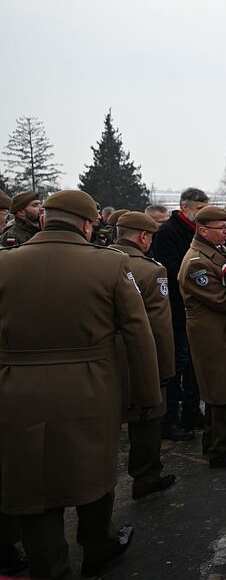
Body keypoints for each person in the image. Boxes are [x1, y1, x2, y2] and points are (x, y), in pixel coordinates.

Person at [0, 190, 160, 579]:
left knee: (31, 485)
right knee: (93, 469)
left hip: (14, 390)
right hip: (90, 387)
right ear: (89, 224)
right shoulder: (110, 264)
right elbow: (138, 333)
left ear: (43, 219)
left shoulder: (3, 263)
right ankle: (97, 545)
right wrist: (147, 395)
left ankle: (50, 566)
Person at [178, 206, 226, 468]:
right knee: (222, 391)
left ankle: (218, 442)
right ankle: (221, 450)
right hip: (214, 335)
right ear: (203, 230)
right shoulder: (197, 262)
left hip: (223, 331)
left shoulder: (212, 253)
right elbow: (222, 299)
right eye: (222, 228)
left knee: (223, 388)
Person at [114, 212, 178, 500]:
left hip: (104, 358)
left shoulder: (100, 259)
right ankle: (146, 475)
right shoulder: (151, 269)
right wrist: (165, 369)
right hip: (141, 355)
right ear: (143, 237)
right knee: (148, 416)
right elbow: (159, 326)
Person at [150, 187, 210, 441]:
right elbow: (170, 269)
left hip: (194, 310)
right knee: (178, 364)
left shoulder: (198, 231)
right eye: (199, 210)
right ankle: (171, 419)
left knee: (194, 366)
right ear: (184, 207)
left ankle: (191, 412)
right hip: (176, 309)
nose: (202, 215)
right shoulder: (168, 233)